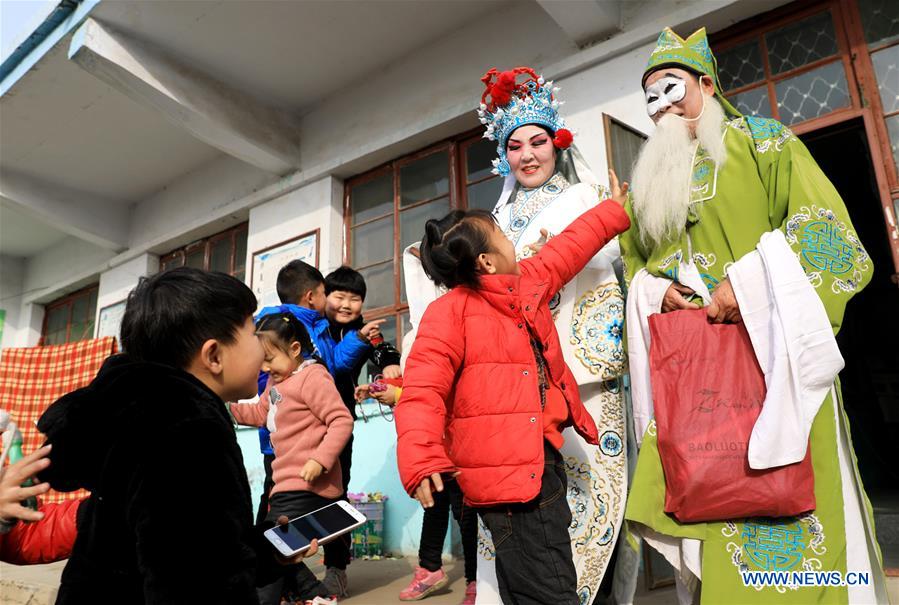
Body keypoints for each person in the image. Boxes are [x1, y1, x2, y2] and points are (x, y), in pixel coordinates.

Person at [621, 27, 888, 604]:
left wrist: (747, 286)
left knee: (792, 517)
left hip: (772, 358)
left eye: (671, 88)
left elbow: (829, 236)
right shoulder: (644, 188)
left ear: (707, 85)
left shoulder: (764, 143)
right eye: (650, 97)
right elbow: (632, 268)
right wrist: (654, 292)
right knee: (703, 512)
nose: (661, 105)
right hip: (691, 383)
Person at [395, 168, 629, 605]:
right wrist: (421, 458)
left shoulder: (524, 289)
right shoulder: (448, 315)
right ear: (486, 261)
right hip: (515, 483)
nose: (510, 240)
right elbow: (422, 391)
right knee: (550, 590)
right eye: (501, 235)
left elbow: (566, 251)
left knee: (523, 584)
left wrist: (612, 211)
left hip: (537, 464)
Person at [36, 267, 316, 605]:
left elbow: (189, 546)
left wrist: (266, 553)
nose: (263, 349)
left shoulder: (144, 412)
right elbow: (198, 584)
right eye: (252, 332)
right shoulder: (187, 433)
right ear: (214, 355)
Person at [477, 66, 635, 604]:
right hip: (516, 385)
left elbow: (613, 253)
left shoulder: (589, 195)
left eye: (538, 142)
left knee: (592, 498)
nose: (527, 155)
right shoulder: (492, 219)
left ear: (557, 143)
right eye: (515, 145)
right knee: (529, 506)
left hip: (582, 374)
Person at [252, 259, 380, 596]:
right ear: (312, 296)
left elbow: (333, 366)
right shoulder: (271, 330)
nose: (335, 302)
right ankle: (303, 586)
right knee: (276, 526)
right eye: (328, 293)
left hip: (320, 444)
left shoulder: (320, 330)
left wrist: (358, 339)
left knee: (320, 513)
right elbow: (267, 393)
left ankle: (320, 580)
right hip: (285, 448)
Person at [230, 312, 353, 605]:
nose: (264, 366)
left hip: (307, 484)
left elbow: (341, 420)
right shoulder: (276, 384)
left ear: (295, 349)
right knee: (274, 547)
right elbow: (260, 414)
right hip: (283, 484)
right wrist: (227, 408)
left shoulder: (312, 377)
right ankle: (316, 595)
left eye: (270, 358)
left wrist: (320, 459)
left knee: (270, 552)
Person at [323, 265, 402, 493]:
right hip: (312, 416)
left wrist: (389, 363)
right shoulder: (318, 328)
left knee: (340, 480)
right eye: (339, 297)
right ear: (324, 297)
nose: (346, 305)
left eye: (354, 299)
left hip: (343, 414)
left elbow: (381, 347)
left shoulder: (364, 329)